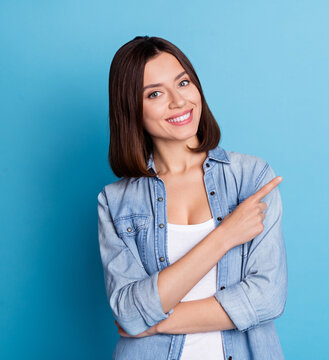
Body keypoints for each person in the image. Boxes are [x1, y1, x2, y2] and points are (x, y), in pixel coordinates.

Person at [97, 36, 287, 360]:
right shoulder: (116, 202)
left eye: (183, 82)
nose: (178, 101)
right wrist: (225, 236)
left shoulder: (251, 178)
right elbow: (127, 310)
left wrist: (154, 322)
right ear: (132, 108)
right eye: (155, 93)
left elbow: (267, 298)